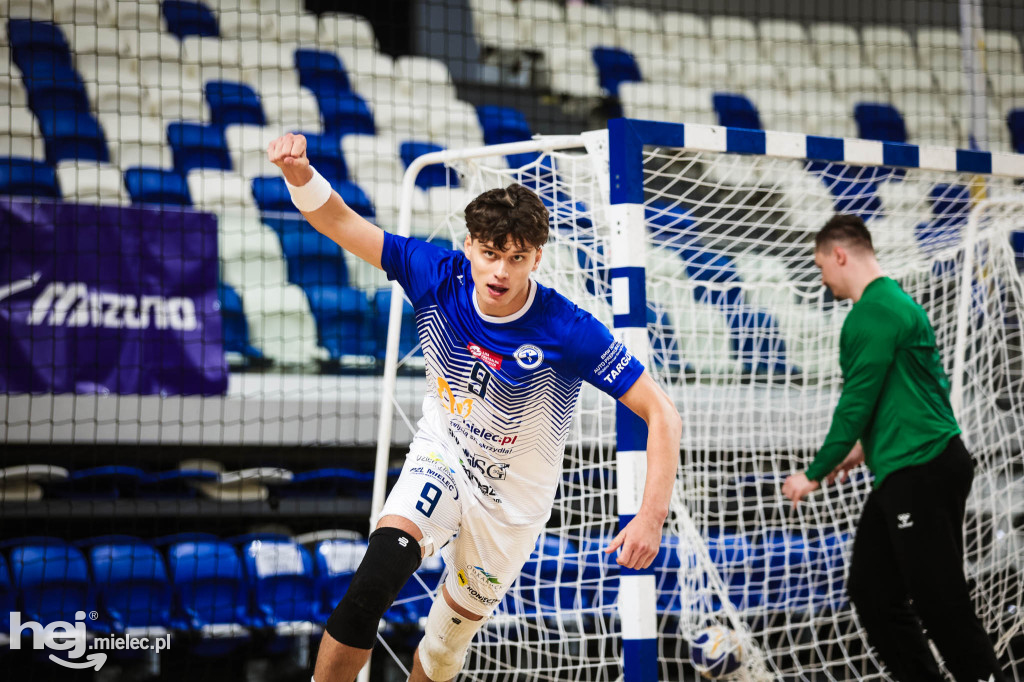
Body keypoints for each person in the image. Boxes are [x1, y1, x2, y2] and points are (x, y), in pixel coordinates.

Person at [267, 133, 682, 682]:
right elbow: (341, 222)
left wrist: (650, 517)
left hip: (512, 504)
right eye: (490, 254)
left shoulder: (567, 329)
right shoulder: (434, 274)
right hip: (443, 457)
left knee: (441, 651)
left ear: (537, 256)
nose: (500, 274)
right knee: (374, 580)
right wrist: (299, 174)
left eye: (516, 258)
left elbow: (661, 413)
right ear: (469, 245)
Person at [782, 214, 1006, 682]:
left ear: (840, 255)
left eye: (821, 265)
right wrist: (862, 450)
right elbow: (916, 393)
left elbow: (855, 404)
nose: (822, 279)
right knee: (872, 590)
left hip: (919, 469)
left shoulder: (872, 312)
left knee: (939, 599)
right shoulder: (897, 303)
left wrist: (816, 471)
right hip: (914, 465)